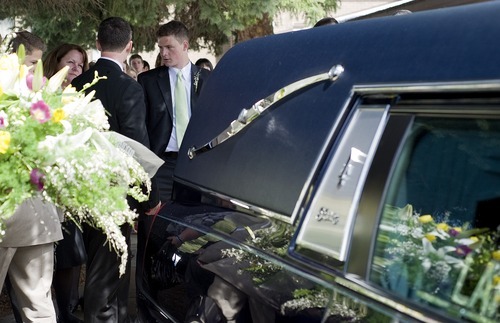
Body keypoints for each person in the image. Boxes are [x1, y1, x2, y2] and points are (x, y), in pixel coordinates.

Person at [71, 17, 160, 323]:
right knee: (106, 272)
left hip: (82, 187)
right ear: (130, 47)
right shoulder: (128, 88)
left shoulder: (76, 85)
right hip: (115, 192)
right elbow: (136, 146)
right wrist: (151, 196)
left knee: (111, 264)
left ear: (97, 44)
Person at [138, 20, 211, 204]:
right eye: (160, 48)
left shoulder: (208, 80)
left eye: (169, 47)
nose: (163, 53)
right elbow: (142, 125)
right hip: (161, 164)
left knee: (192, 222)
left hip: (197, 164)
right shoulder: (148, 80)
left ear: (185, 45)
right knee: (156, 223)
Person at [43, 43, 89, 323]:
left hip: (72, 187)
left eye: (80, 65)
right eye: (70, 62)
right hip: (45, 186)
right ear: (55, 62)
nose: (75, 69)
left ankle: (66, 311)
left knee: (72, 252)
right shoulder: (43, 93)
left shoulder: (82, 96)